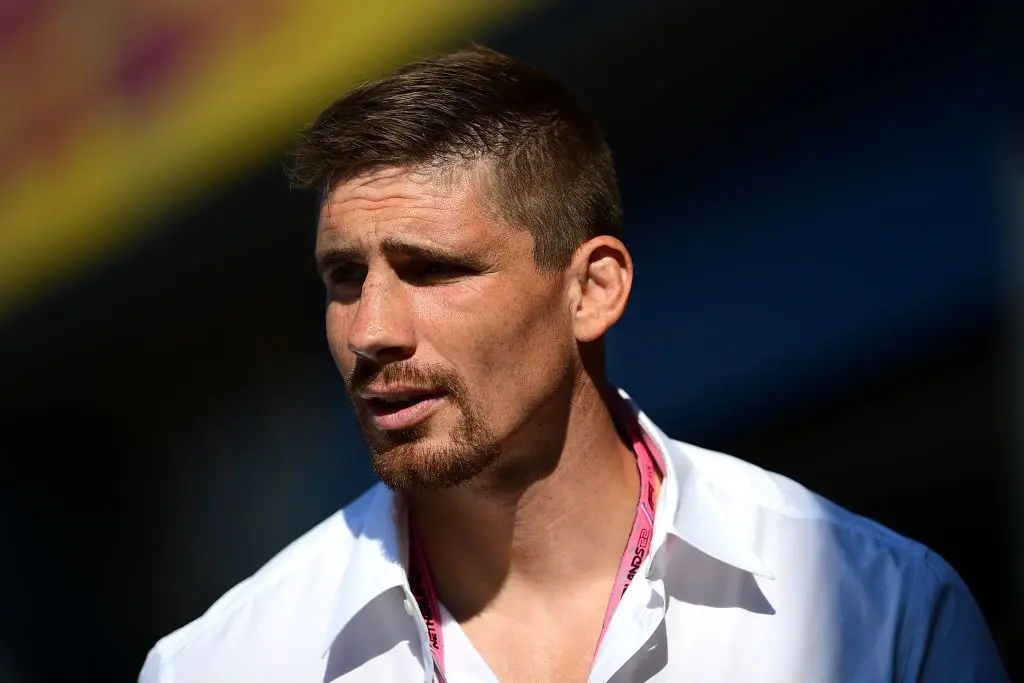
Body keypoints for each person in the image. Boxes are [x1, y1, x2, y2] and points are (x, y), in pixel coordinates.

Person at [138, 45, 1008, 682]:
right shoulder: (222, 663)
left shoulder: (883, 612)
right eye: (344, 278)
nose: (371, 330)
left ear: (592, 289)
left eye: (431, 269)